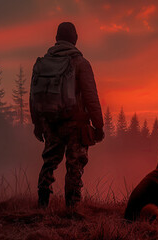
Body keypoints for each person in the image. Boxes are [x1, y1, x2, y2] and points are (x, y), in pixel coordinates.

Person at [30, 22, 104, 209]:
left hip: (51, 122)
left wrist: (37, 124)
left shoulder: (42, 64)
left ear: (56, 38)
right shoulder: (80, 63)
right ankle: (72, 209)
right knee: (74, 166)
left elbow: (33, 96)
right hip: (75, 125)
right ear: (76, 39)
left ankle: (42, 204)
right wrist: (99, 125)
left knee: (49, 163)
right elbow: (91, 96)